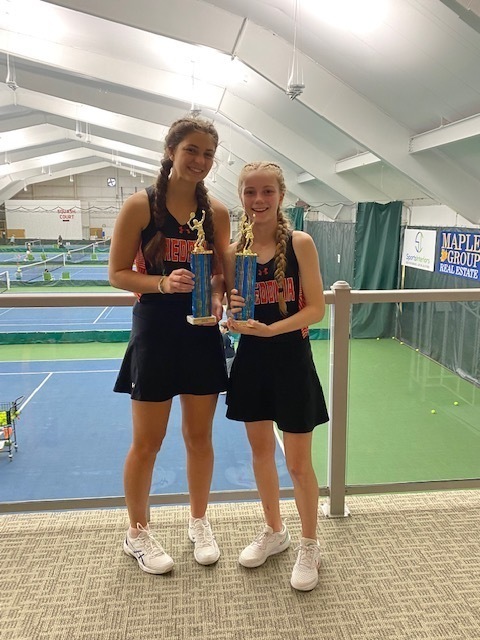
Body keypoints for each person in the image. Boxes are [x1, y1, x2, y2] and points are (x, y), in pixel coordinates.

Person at [109, 116, 230, 575]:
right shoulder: (140, 207)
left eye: (207, 154)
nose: (199, 160)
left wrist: (217, 297)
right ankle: (136, 533)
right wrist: (161, 281)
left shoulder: (216, 213)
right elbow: (118, 273)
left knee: (200, 438)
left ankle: (198, 522)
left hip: (200, 333)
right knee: (148, 442)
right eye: (192, 150)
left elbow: (220, 274)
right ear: (171, 152)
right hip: (155, 333)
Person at [224, 161, 329, 592]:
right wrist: (230, 316)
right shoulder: (234, 251)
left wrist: (273, 329)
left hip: (290, 357)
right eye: (250, 192)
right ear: (242, 198)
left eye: (267, 191)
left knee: (298, 462)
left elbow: (317, 309)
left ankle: (309, 543)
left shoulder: (300, 243)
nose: (258, 200)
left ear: (281, 196)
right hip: (250, 360)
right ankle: (275, 530)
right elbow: (231, 311)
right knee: (261, 452)